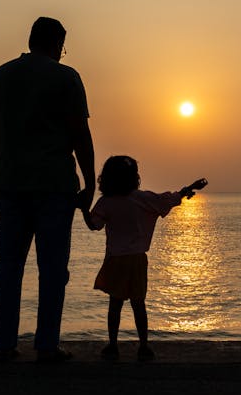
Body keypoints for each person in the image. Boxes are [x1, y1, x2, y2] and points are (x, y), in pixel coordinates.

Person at [0, 17, 95, 362]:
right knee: (53, 268)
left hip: (11, 183)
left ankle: (4, 345)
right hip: (54, 184)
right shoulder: (66, 77)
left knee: (10, 266)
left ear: (31, 39)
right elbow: (79, 134)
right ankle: (46, 345)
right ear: (57, 43)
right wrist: (90, 182)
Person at [82, 155, 207, 361]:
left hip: (116, 260)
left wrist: (83, 209)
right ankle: (144, 347)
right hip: (137, 260)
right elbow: (168, 199)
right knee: (138, 304)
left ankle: (113, 346)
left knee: (115, 304)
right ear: (134, 178)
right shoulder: (143, 199)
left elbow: (94, 225)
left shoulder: (106, 202)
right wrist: (187, 190)